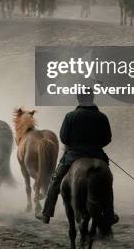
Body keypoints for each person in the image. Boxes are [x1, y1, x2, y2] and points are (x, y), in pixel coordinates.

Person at [36, 88, 118, 225]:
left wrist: (74, 145)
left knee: (55, 181)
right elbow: (107, 138)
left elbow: (63, 138)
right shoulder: (102, 117)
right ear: (92, 98)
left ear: (79, 99)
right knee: (107, 184)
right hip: (97, 155)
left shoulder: (70, 116)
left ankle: (46, 214)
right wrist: (95, 146)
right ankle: (109, 215)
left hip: (73, 156)